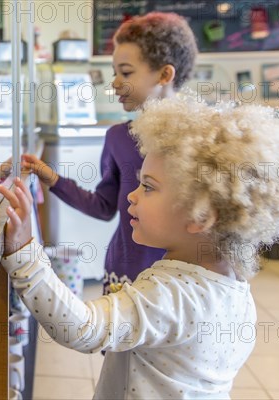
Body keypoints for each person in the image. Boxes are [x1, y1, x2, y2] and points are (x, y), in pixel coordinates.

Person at [0, 95, 279, 399]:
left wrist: (25, 253)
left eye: (148, 187)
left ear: (201, 216)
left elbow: (82, 327)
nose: (132, 196)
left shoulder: (170, 293)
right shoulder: (236, 290)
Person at [22, 12, 198, 294]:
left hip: (181, 279)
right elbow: (104, 208)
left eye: (126, 72)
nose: (115, 83)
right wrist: (51, 178)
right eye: (114, 72)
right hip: (124, 272)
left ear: (165, 74)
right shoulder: (118, 137)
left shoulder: (202, 140)